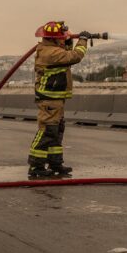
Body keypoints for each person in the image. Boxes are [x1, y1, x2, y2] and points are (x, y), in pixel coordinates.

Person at [28, 20, 88, 179]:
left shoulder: (51, 49)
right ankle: (36, 165)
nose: (63, 38)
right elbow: (75, 56)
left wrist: (68, 41)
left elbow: (65, 56)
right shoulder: (50, 53)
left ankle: (55, 162)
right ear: (54, 39)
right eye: (61, 37)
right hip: (49, 99)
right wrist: (82, 40)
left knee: (56, 131)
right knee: (47, 131)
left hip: (56, 98)